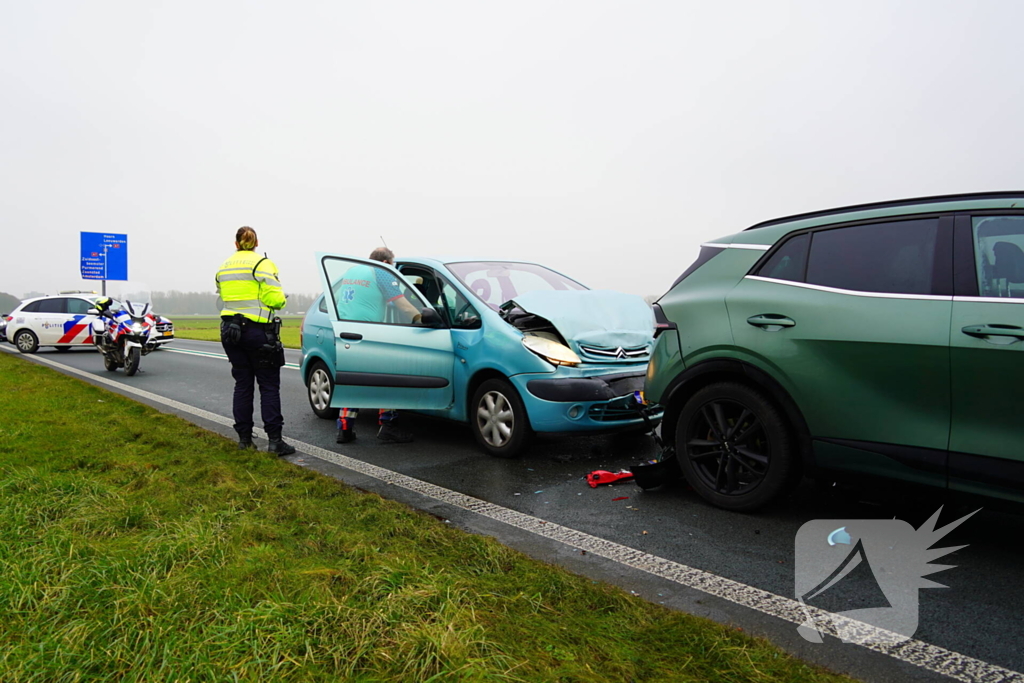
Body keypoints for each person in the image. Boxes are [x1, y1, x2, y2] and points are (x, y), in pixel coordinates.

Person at [215, 226, 296, 456]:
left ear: (236, 244)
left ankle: (244, 440)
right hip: (257, 331)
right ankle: (275, 442)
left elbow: (222, 295)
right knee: (269, 386)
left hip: (229, 331)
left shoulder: (224, 266)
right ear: (256, 242)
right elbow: (275, 299)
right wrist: (280, 299)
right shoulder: (263, 264)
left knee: (242, 384)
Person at [335, 246, 419, 445]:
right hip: (369, 334)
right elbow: (402, 304)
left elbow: (352, 298)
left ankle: (344, 429)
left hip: (346, 333)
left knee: (353, 382)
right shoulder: (381, 271)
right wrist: (421, 317)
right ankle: (388, 426)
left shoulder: (353, 271)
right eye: (393, 265)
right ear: (386, 263)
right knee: (385, 379)